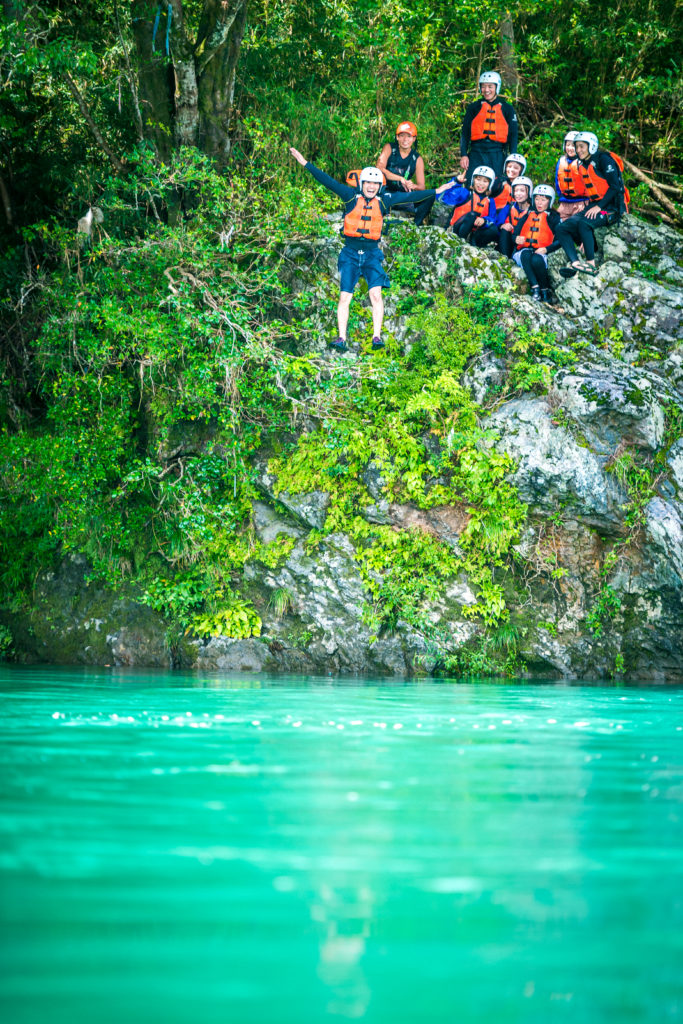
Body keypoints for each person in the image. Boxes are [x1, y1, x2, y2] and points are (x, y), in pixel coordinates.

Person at [289, 146, 454, 351]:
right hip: (349, 252)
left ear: (379, 186)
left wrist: (438, 190)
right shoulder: (350, 196)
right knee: (345, 296)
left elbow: (412, 197)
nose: (371, 187)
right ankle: (341, 338)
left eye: (375, 184)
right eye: (368, 183)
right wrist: (305, 163)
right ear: (362, 184)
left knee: (375, 294)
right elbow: (327, 181)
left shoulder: (385, 200)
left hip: (371, 254)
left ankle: (376, 337)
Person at [555, 131, 628, 277]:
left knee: (584, 223)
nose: (578, 150)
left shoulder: (604, 160)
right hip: (594, 205)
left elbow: (615, 187)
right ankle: (575, 262)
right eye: (577, 147)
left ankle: (591, 264)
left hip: (611, 208)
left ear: (591, 146)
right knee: (562, 228)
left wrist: (599, 207)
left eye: (582, 146)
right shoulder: (583, 164)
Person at [459, 71, 519, 186]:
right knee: (472, 185)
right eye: (483, 86)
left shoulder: (507, 109)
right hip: (476, 153)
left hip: (497, 154)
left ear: (497, 87)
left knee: (496, 186)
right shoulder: (473, 107)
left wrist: (513, 159)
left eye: (490, 86)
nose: (486, 90)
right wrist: (464, 154)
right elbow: (465, 133)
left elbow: (513, 136)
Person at [376, 121, 435, 227]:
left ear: (414, 139)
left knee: (430, 195)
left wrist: (413, 186)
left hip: (403, 197)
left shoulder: (417, 159)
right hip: (386, 193)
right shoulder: (389, 148)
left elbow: (422, 186)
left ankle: (416, 225)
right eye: (402, 136)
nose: (405, 139)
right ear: (397, 137)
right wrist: (400, 179)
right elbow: (379, 168)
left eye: (409, 136)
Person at [512, 184, 562, 305]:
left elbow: (561, 240)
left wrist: (546, 249)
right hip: (524, 252)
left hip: (542, 252)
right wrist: (516, 239)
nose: (539, 203)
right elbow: (515, 234)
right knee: (525, 254)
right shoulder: (528, 214)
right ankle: (535, 289)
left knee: (536, 259)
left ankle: (545, 291)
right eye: (537, 199)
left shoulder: (554, 217)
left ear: (549, 201)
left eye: (543, 199)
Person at [443, 165, 498, 247]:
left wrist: (484, 221)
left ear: (490, 184)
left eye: (485, 181)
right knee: (472, 215)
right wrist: (456, 182)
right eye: (478, 179)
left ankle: (474, 245)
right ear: (473, 180)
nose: (481, 184)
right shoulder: (464, 193)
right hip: (456, 230)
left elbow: (492, 219)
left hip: (473, 234)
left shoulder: (490, 202)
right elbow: (443, 197)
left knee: (493, 229)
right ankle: (460, 243)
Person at [555, 130, 588, 221]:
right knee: (559, 227)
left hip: (581, 202)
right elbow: (557, 181)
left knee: (575, 227)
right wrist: (561, 197)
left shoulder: (584, 163)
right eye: (568, 145)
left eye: (573, 145)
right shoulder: (561, 161)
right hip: (564, 202)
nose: (570, 148)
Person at [497, 175, 533, 258]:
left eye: (522, 191)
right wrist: (502, 225)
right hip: (509, 240)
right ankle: (505, 258)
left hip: (524, 243)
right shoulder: (509, 207)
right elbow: (497, 223)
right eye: (516, 190)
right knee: (505, 229)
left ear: (529, 192)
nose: (518, 193)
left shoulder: (533, 210)